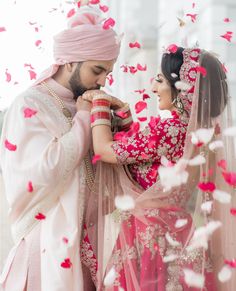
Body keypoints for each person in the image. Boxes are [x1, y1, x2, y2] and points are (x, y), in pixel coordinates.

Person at [81, 47, 236, 290]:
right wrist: (123, 112)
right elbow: (140, 158)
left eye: (160, 79)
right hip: (179, 232)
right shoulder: (200, 134)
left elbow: (104, 150)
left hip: (150, 234)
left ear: (183, 88)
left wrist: (100, 103)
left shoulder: (168, 130)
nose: (153, 87)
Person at [0, 6, 121, 291]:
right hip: (45, 245)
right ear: (69, 62)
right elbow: (42, 172)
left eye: (108, 72)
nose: (103, 81)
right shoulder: (30, 105)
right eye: (97, 70)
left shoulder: (92, 104)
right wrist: (82, 120)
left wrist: (119, 123)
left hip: (89, 244)